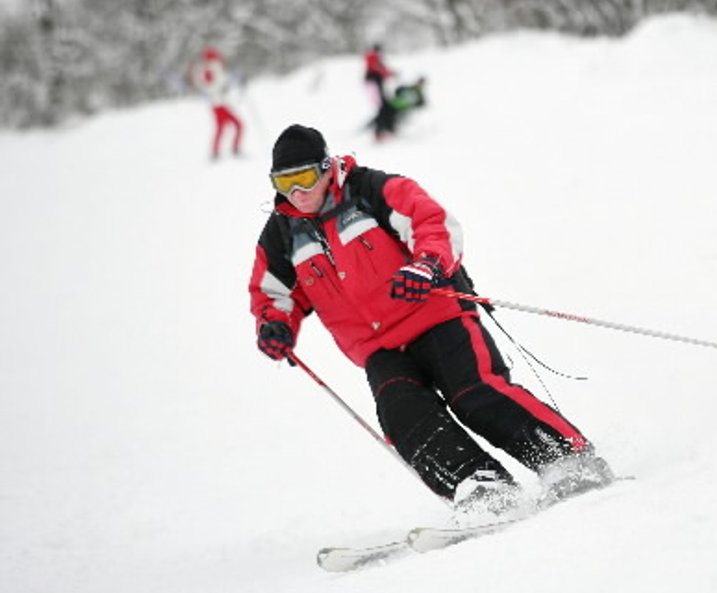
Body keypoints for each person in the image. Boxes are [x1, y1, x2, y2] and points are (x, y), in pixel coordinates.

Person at [248, 125, 614, 515]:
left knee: (474, 394)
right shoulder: (282, 235)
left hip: (435, 316)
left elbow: (432, 224)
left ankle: (566, 460)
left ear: (326, 168)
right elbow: (272, 293)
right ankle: (479, 486)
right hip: (379, 348)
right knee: (402, 416)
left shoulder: (373, 190)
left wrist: (427, 265)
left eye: (303, 179)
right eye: (284, 183)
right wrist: (275, 325)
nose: (296, 194)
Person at [190, 47, 243, 160]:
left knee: (222, 128)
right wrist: (233, 82)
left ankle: (216, 152)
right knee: (238, 125)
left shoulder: (213, 69)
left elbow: (223, 83)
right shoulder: (210, 70)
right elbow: (213, 86)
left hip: (218, 104)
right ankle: (233, 150)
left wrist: (235, 80)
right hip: (219, 104)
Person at [372, 77, 427, 142]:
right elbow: (398, 90)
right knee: (382, 116)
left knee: (390, 118)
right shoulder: (409, 88)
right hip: (393, 104)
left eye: (421, 84)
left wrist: (412, 104)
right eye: (419, 82)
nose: (419, 85)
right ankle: (379, 133)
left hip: (401, 108)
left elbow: (421, 104)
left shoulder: (419, 94)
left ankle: (387, 132)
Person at [363, 43, 394, 108]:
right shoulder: (372, 56)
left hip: (375, 79)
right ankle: (383, 110)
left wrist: (390, 73)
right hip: (373, 79)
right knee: (377, 98)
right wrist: (389, 73)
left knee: (380, 97)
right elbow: (376, 67)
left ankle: (384, 108)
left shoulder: (376, 57)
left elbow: (381, 68)